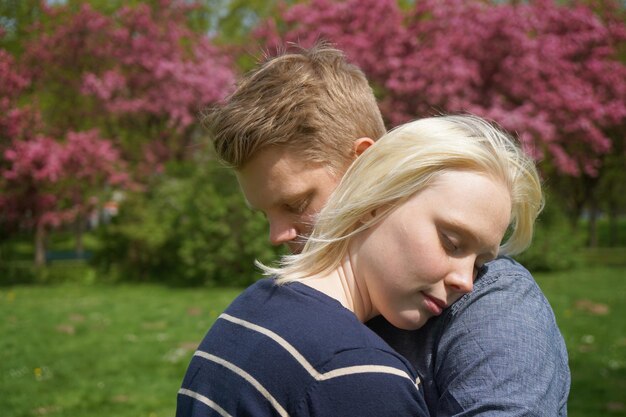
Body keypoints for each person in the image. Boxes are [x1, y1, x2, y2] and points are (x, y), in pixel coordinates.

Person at [197, 44, 570, 416]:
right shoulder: (283, 316)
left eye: (296, 204)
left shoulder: (489, 308)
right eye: (266, 214)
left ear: (365, 170)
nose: (277, 236)